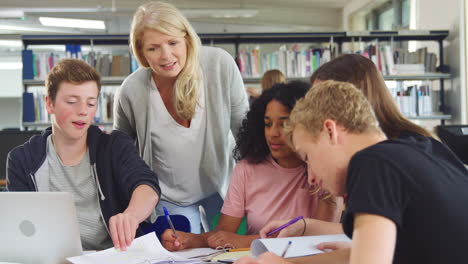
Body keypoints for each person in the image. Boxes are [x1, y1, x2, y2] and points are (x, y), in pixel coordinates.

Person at [236, 80, 468, 264]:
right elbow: (375, 253)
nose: (311, 177)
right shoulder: (422, 146)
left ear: (330, 131)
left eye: (308, 158)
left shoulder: (372, 163)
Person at [113, 1, 249, 233]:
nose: (166, 56)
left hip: (222, 187)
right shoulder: (131, 90)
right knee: (183, 254)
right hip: (169, 197)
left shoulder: (219, 65)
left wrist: (259, 189)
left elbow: (245, 132)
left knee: (229, 251)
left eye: (173, 42)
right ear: (141, 53)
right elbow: (120, 154)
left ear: (187, 38)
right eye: (153, 48)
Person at [161, 81, 343, 250]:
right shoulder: (247, 169)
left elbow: (319, 241)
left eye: (284, 124)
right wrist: (190, 240)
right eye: (267, 124)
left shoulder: (323, 170)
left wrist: (247, 241)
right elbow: (224, 233)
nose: (273, 133)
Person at [7, 59, 161, 251]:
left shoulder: (114, 146)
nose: (82, 111)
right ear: (49, 104)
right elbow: (19, 227)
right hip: (53, 259)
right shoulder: (22, 159)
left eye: (90, 103)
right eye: (72, 102)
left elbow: (147, 186)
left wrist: (131, 215)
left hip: (112, 256)